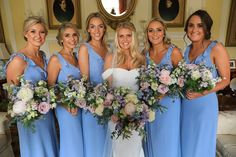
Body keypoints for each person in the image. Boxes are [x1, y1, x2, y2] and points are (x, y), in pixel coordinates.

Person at [5, 16, 58, 157]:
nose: (38, 36)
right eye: (33, 31)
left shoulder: (42, 56)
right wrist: (30, 105)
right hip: (30, 119)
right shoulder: (18, 60)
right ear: (25, 33)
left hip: (47, 113)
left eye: (42, 32)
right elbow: (12, 94)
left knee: (49, 147)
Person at [181, 10, 230, 157]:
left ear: (206, 28)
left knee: (200, 145)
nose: (194, 29)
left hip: (204, 106)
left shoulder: (216, 48)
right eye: (191, 25)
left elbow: (226, 79)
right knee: (186, 144)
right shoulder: (186, 50)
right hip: (186, 105)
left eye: (199, 25)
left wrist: (201, 93)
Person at [102, 21, 146, 157]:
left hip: (137, 116)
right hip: (116, 116)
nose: (125, 40)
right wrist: (113, 111)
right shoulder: (111, 58)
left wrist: (140, 110)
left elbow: (144, 89)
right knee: (118, 150)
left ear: (133, 37)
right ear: (117, 38)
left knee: (135, 149)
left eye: (128, 35)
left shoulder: (141, 59)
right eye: (121, 36)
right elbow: (108, 90)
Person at [142, 17, 183, 157]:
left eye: (158, 30)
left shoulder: (174, 52)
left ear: (164, 32)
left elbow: (183, 79)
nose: (155, 34)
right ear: (147, 33)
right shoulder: (144, 54)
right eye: (151, 30)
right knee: (153, 138)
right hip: (152, 104)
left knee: (168, 140)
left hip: (170, 104)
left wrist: (165, 91)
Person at [47, 22, 83, 157]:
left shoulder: (77, 57)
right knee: (71, 142)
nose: (72, 38)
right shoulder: (56, 59)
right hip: (65, 109)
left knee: (80, 142)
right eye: (67, 35)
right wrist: (65, 103)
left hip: (80, 107)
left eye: (74, 35)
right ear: (61, 39)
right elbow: (49, 88)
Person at [78, 12, 108, 157]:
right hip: (92, 106)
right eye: (93, 27)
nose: (96, 30)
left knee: (107, 145)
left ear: (104, 29)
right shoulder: (84, 48)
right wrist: (95, 102)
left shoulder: (108, 48)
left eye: (100, 26)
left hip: (108, 104)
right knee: (95, 147)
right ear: (88, 30)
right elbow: (85, 81)